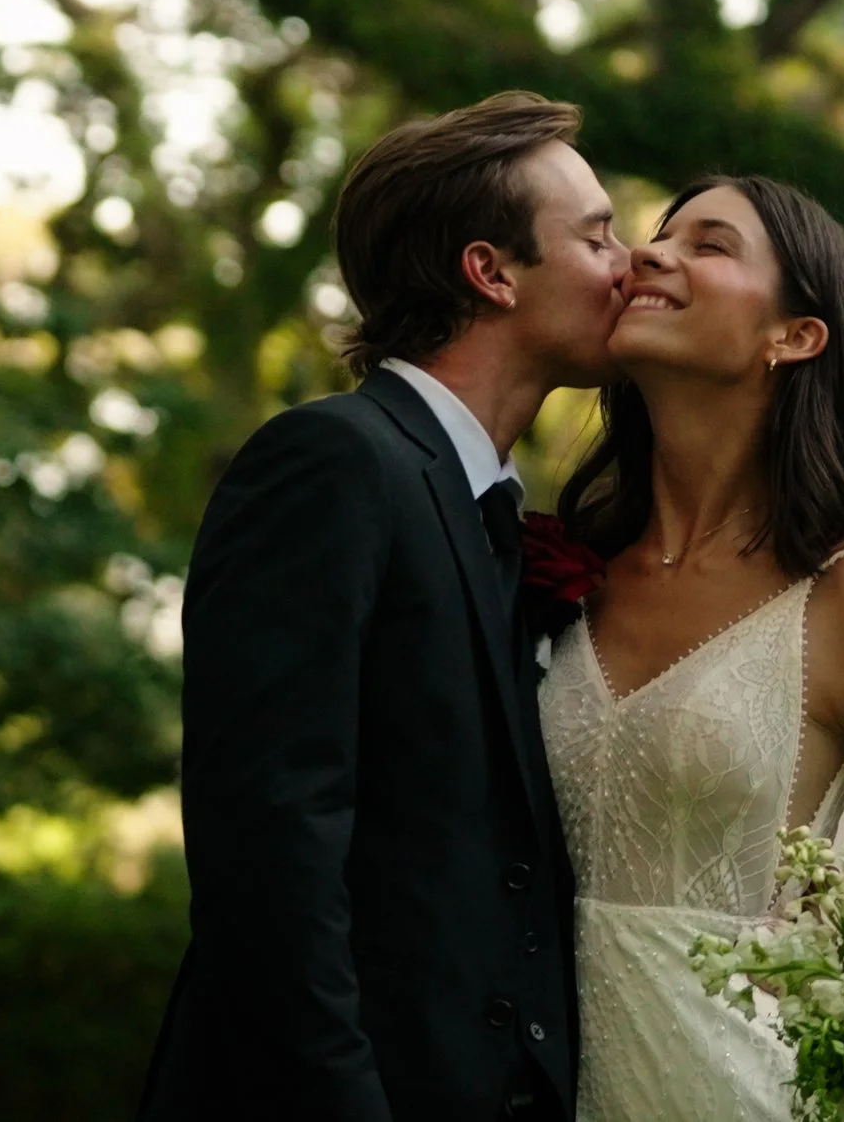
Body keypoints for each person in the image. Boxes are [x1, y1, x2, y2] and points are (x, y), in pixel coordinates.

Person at [139, 91, 629, 1121]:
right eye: (596, 235)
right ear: (490, 271)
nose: (627, 263)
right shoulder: (331, 464)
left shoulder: (497, 511)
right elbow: (269, 853)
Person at [536, 174, 844, 1119]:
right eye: (656, 236)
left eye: (709, 244)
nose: (650, 252)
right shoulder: (560, 576)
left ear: (796, 335)